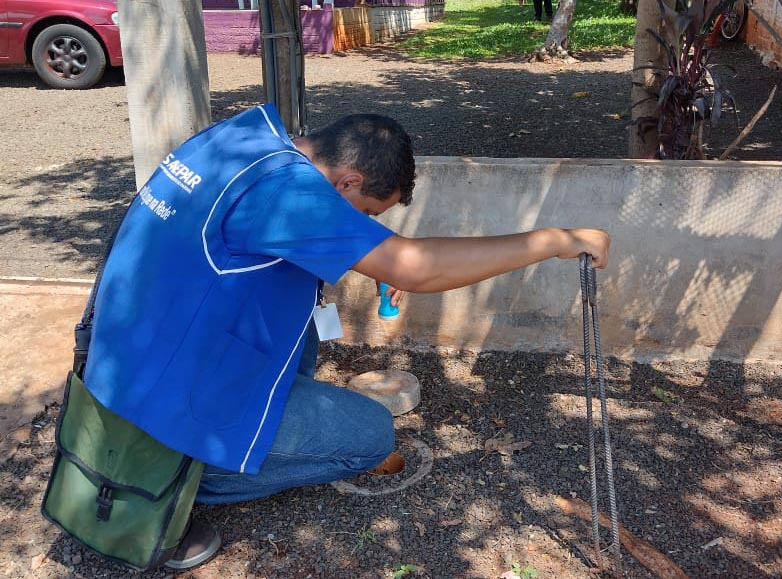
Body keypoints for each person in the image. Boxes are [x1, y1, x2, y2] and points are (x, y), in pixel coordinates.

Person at [83, 104, 610, 570]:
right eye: (366, 216)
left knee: (303, 317)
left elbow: (263, 237)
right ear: (348, 182)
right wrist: (553, 241)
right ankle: (183, 478)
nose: (365, 225)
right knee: (372, 436)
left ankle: (212, 445)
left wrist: (369, 252)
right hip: (166, 396)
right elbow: (417, 268)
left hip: (132, 357)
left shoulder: (244, 138)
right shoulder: (287, 194)